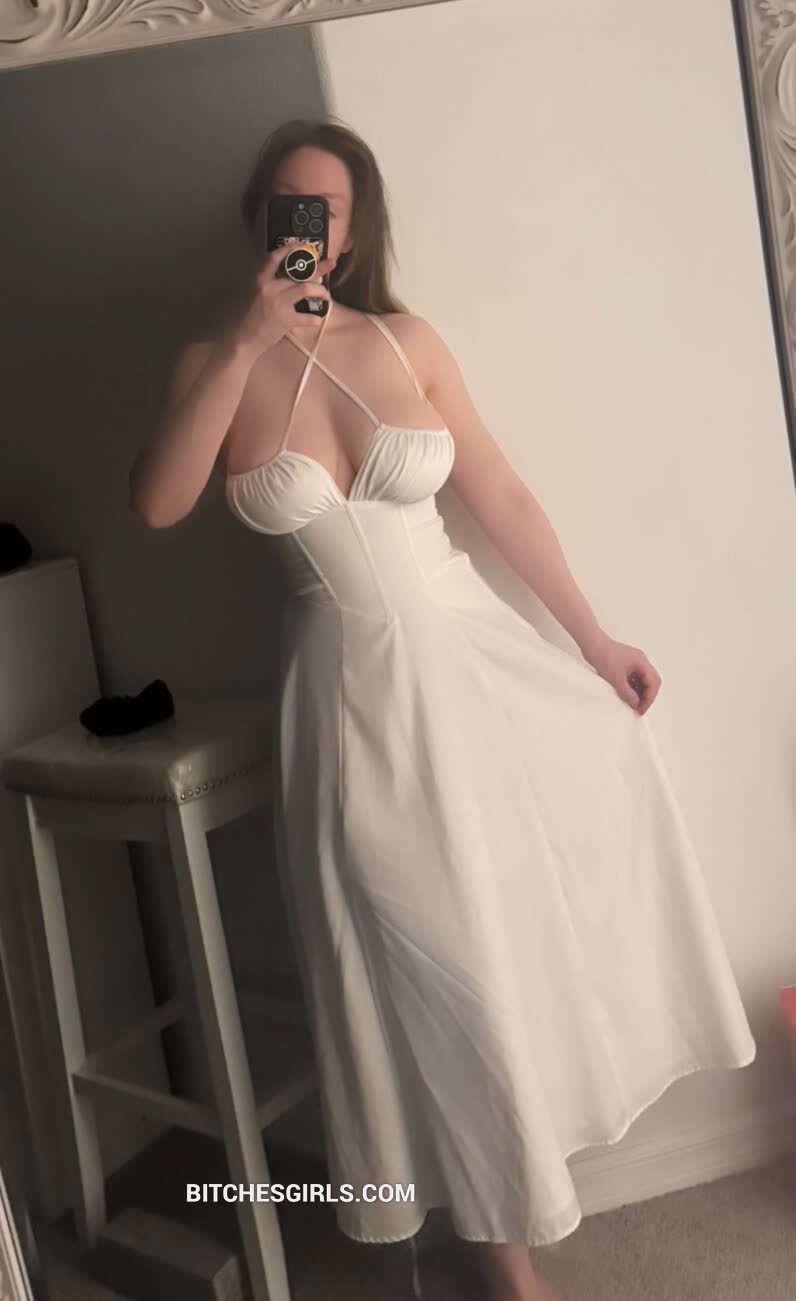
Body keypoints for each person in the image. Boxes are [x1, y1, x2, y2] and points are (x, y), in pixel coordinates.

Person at [129, 118, 756, 1301]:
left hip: (473, 666)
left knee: (509, 926)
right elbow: (157, 504)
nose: (304, 227)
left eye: (324, 210)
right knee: (420, 958)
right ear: (257, 217)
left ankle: (515, 1220)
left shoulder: (405, 341)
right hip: (347, 703)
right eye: (284, 204)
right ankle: (498, 1248)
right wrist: (250, 336)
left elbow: (499, 491)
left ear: (352, 228)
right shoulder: (209, 362)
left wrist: (593, 637)